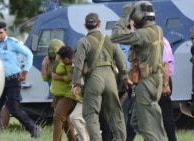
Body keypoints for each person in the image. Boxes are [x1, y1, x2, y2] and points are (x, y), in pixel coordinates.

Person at [71, 12, 132, 141]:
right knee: (116, 113)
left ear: (85, 26)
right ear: (99, 24)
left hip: (94, 79)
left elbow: (78, 64)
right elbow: (121, 60)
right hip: (110, 78)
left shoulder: (83, 42)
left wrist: (75, 83)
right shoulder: (111, 39)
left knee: (91, 114)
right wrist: (125, 77)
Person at [111, 1, 166, 140]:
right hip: (154, 80)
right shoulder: (157, 30)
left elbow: (115, 36)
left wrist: (124, 16)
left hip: (146, 81)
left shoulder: (143, 34)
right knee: (138, 120)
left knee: (147, 124)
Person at [0, 22, 40, 141]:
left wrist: (25, 71)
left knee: (15, 109)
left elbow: (29, 54)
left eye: (1, 33)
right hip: (0, 82)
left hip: (13, 81)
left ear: (5, 32)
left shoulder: (12, 43)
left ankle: (33, 128)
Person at [41, 45, 82, 141]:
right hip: (57, 96)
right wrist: (44, 64)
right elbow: (45, 78)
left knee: (58, 117)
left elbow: (72, 78)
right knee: (66, 121)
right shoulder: (55, 62)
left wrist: (59, 77)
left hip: (67, 95)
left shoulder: (68, 62)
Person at [159, 37, 177, 141]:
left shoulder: (159, 41)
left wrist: (165, 84)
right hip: (163, 80)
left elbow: (165, 63)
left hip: (162, 80)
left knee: (166, 116)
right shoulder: (162, 39)